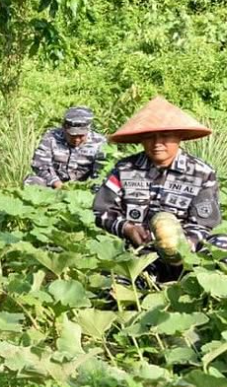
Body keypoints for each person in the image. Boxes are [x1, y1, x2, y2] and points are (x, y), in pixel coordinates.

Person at [93, 96, 226, 281]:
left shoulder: (201, 173)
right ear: (141, 140)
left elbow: (205, 224)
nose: (157, 143)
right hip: (142, 254)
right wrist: (128, 228)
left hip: (190, 254)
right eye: (149, 137)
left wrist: (183, 245)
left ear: (179, 136)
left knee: (223, 245)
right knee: (114, 287)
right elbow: (103, 212)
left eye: (165, 135)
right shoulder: (124, 169)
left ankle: (204, 292)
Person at [24, 106, 107, 189]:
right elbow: (40, 164)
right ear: (64, 128)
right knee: (32, 181)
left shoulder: (99, 143)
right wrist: (57, 183)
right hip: (54, 185)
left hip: (84, 188)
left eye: (81, 136)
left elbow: (99, 175)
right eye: (72, 135)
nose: (76, 139)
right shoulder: (51, 137)